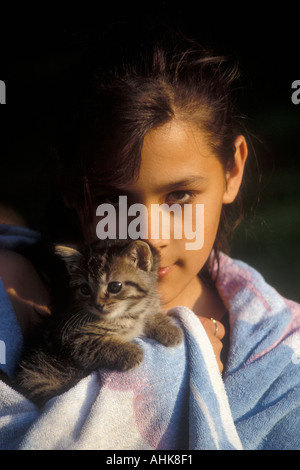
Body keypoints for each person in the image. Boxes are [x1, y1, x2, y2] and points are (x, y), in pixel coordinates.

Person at [0, 29, 299, 450]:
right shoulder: (15, 290)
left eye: (180, 195)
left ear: (233, 172)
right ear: (73, 191)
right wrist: (169, 373)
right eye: (115, 201)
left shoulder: (280, 347)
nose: (149, 235)